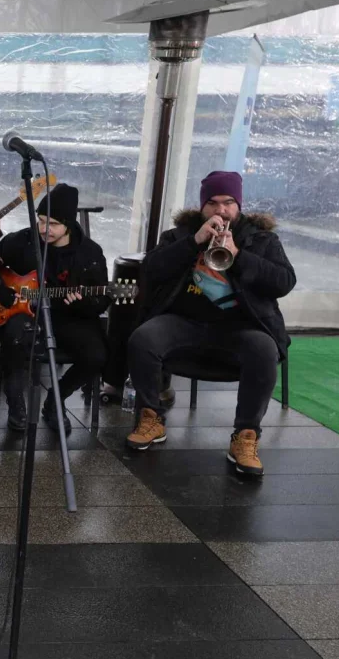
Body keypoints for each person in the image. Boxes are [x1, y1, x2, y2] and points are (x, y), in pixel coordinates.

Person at [124, 170, 296, 477]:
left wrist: (238, 255)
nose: (220, 210)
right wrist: (194, 242)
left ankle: (245, 436)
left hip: (241, 327)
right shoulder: (179, 234)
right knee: (144, 338)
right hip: (184, 321)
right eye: (213, 203)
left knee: (263, 348)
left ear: (238, 205)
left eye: (228, 202)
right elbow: (150, 270)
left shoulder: (261, 238)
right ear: (202, 206)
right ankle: (152, 417)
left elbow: (284, 282)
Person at [0, 184, 109, 433]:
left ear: (68, 224)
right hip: (26, 313)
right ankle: (16, 404)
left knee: (96, 356)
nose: (44, 229)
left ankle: (55, 400)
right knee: (14, 339)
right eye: (40, 221)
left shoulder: (90, 253)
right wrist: (0, 289)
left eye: (53, 224)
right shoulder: (23, 240)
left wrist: (84, 304)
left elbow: (101, 298)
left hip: (69, 318)